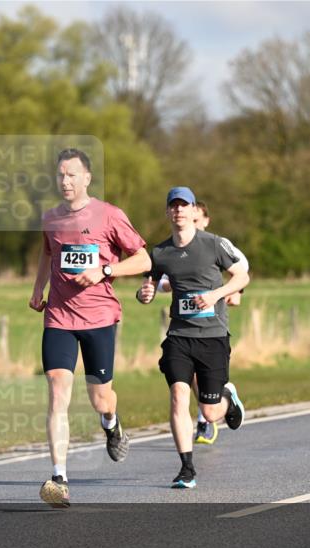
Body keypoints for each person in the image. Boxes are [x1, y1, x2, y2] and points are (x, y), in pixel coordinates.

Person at [29, 148, 151, 507]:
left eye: (71, 175)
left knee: (100, 397)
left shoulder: (110, 215)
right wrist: (38, 287)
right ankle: (59, 478)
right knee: (57, 391)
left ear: (87, 178)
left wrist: (105, 270)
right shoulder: (51, 218)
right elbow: (48, 253)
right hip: (59, 317)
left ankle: (111, 424)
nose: (65, 181)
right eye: (60, 175)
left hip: (98, 318)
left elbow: (143, 258)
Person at [137, 186, 249, 489]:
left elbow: (242, 276)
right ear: (167, 213)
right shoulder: (160, 252)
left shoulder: (214, 245)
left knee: (210, 412)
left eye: (183, 206)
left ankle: (228, 399)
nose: (178, 211)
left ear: (192, 210)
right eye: (173, 206)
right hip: (179, 335)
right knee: (178, 397)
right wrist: (143, 294)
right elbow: (148, 287)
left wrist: (216, 293)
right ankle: (186, 468)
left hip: (212, 335)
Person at [157, 200, 249, 445]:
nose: (190, 223)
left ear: (205, 221)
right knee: (185, 383)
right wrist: (170, 284)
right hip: (184, 330)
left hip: (213, 326)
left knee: (205, 391)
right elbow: (160, 277)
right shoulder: (174, 248)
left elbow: (242, 270)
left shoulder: (217, 244)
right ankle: (202, 423)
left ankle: (209, 413)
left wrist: (233, 293)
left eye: (196, 220)